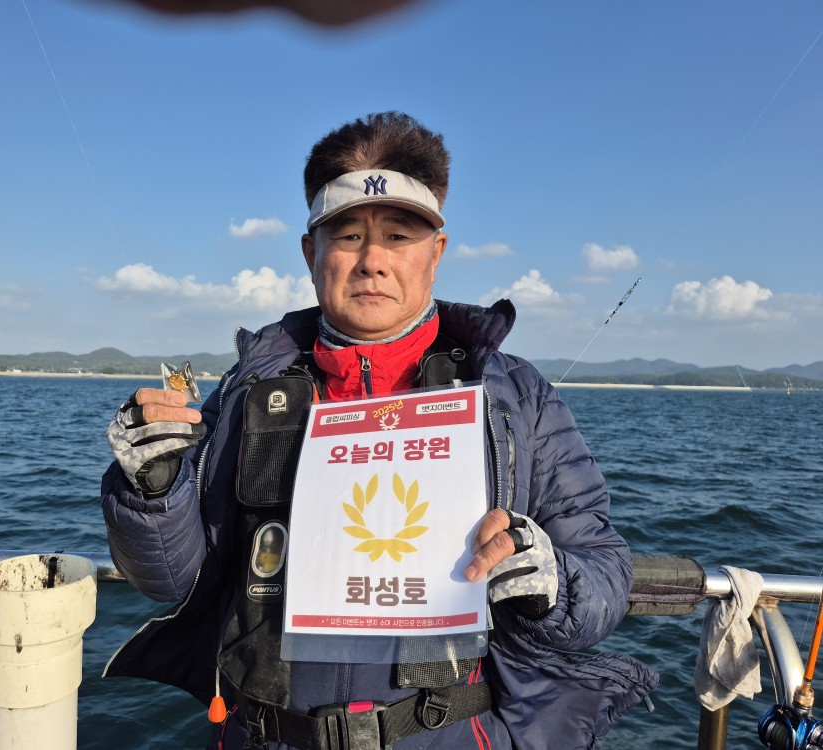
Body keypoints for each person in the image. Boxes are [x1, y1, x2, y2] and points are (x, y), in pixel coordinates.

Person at [101, 111, 657, 749]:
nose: (372, 262)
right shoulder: (248, 392)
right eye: (347, 235)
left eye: (398, 235)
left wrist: (549, 581)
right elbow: (175, 581)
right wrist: (151, 490)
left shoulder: (515, 397)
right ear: (310, 253)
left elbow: (604, 568)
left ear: (436, 253)